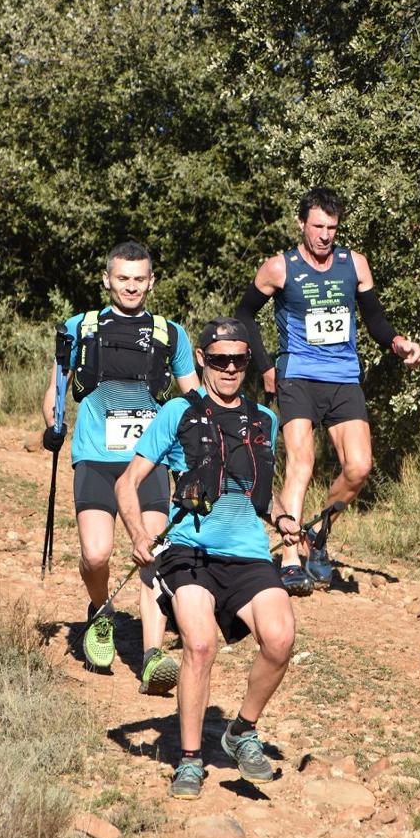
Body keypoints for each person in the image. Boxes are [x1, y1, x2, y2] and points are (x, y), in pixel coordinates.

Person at [116, 317, 300, 799]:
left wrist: (283, 520)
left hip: (248, 554)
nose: (230, 369)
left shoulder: (265, 419)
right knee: (199, 646)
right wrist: (138, 535)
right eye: (220, 360)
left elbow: (261, 493)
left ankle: (241, 730)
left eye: (240, 360)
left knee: (280, 639)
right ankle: (191, 759)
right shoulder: (178, 411)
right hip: (189, 550)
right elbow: (126, 483)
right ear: (202, 360)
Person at [236, 187, 420, 595]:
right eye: (317, 226)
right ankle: (288, 559)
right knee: (301, 462)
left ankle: (317, 532)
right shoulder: (279, 268)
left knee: (358, 467)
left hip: (343, 377)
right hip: (298, 375)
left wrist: (397, 343)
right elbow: (244, 314)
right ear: (301, 224)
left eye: (331, 228)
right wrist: (266, 366)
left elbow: (374, 320)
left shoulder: (354, 265)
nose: (324, 235)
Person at [42, 241, 198, 694]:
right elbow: (54, 390)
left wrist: (200, 448)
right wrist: (52, 425)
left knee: (150, 552)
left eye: (139, 279)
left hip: (148, 463)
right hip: (94, 457)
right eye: (123, 278)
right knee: (96, 555)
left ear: (151, 281)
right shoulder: (80, 328)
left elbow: (192, 400)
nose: (131, 286)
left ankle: (151, 656)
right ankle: (101, 610)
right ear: (107, 279)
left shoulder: (172, 334)